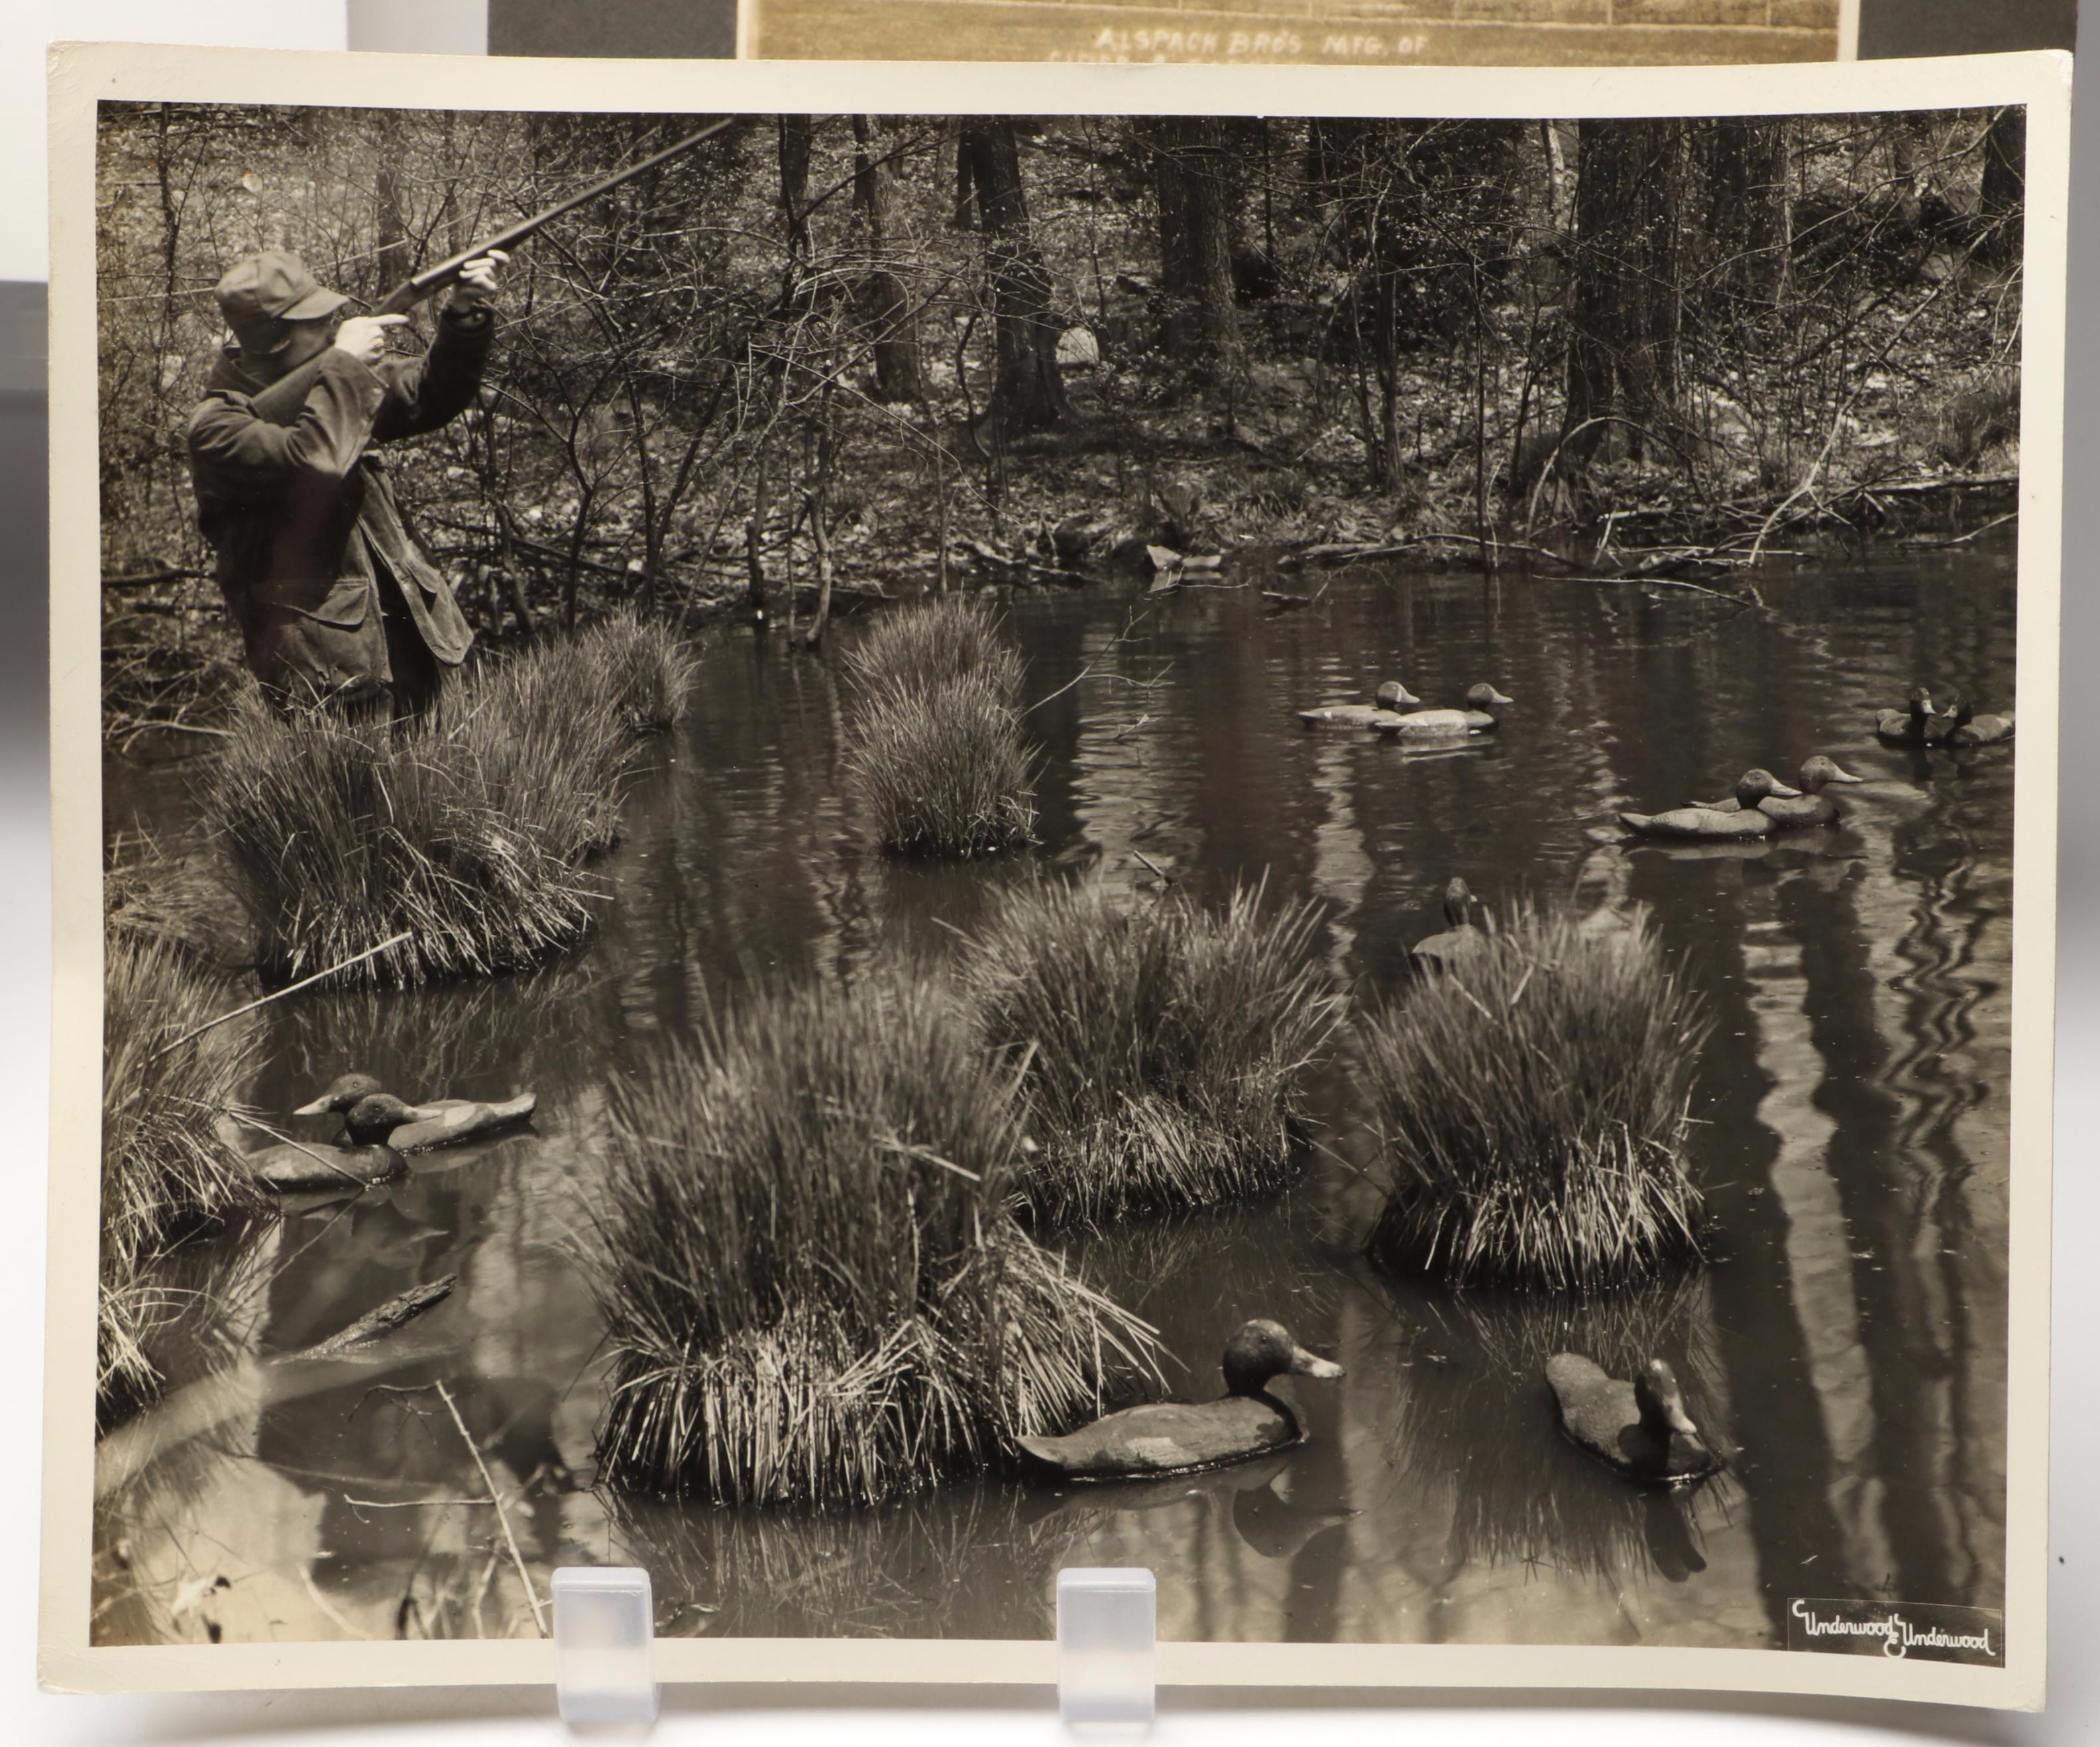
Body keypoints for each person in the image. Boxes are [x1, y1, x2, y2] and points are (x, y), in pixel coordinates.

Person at [184, 246, 507, 716]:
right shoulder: (217, 430)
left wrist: (463, 315)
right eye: (314, 321)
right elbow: (315, 460)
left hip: (416, 646)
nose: (330, 328)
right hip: (332, 679)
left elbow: (430, 393)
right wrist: (344, 365)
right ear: (273, 338)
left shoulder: (329, 384)